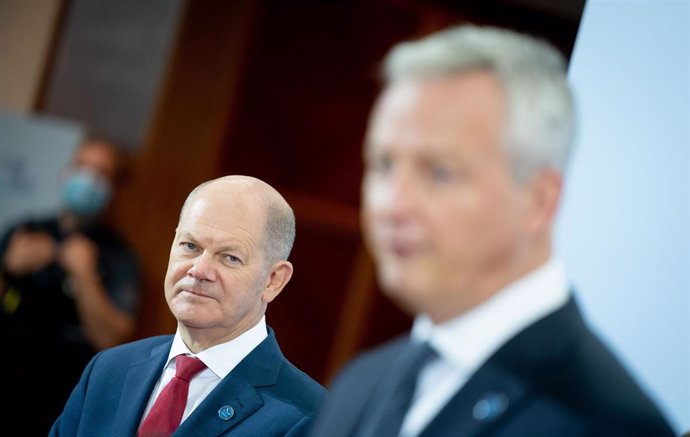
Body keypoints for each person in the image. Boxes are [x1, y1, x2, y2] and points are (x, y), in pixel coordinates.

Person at [308, 25, 676, 436]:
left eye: (439, 172)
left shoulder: (608, 424)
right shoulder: (359, 383)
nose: (393, 203)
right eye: (384, 164)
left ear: (538, 200)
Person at [49, 175, 327, 437]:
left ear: (273, 280)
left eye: (230, 257)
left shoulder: (310, 416)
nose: (199, 269)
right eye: (190, 246)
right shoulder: (108, 370)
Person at [0, 137, 141, 436]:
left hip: (62, 404)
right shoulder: (25, 232)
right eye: (82, 166)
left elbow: (112, 338)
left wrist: (84, 274)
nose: (88, 178)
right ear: (66, 172)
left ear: (112, 188)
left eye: (101, 173)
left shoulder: (119, 256)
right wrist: (8, 270)